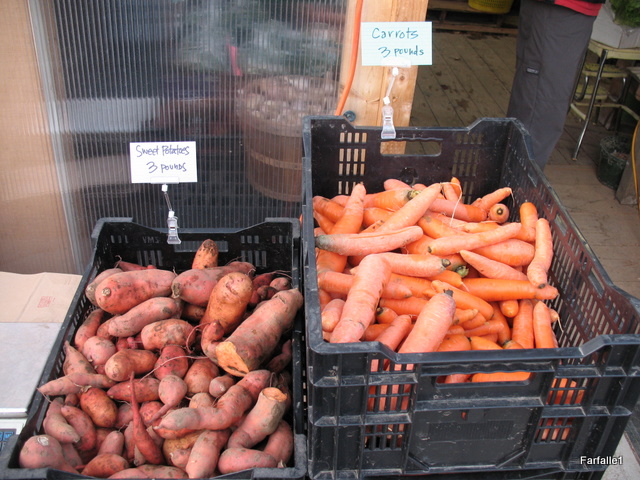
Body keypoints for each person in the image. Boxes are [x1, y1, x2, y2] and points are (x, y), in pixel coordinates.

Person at [507, 0, 605, 170]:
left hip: (571, 10)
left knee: (538, 103)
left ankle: (514, 178)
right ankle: (518, 181)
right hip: (561, 8)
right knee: (540, 108)